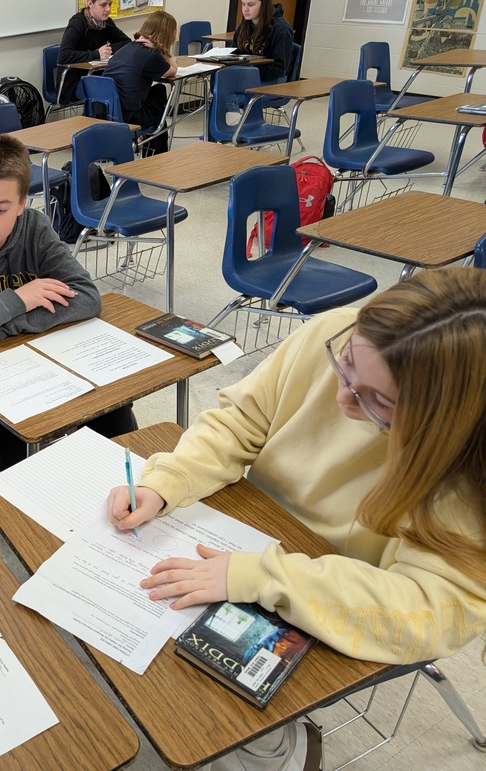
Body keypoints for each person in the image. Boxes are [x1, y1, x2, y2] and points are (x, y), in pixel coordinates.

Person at [107, 269, 486, 768]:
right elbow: (243, 417)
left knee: (205, 716)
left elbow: (431, 609)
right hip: (251, 530)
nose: (343, 396)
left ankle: (286, 749)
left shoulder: (467, 471)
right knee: (140, 662)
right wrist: (167, 480)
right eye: (346, 365)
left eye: (380, 402)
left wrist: (263, 576)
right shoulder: (343, 330)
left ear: (443, 421)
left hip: (336, 594)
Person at [0, 134, 137, 471]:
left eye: (0, 209)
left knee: (113, 413)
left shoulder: (34, 228)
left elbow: (87, 297)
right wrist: (18, 297)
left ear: (21, 204)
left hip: (35, 358)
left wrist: (5, 326)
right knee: (22, 458)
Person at [103, 11, 179, 155]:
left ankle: (153, 148)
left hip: (108, 112)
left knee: (157, 97)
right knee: (160, 97)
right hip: (129, 116)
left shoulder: (126, 48)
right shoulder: (151, 55)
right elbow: (173, 71)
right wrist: (163, 50)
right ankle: (157, 152)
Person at [57, 0, 132, 103]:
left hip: (97, 76)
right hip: (74, 83)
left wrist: (108, 50)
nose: (108, 9)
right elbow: (63, 56)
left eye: (110, 4)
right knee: (113, 89)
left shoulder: (107, 23)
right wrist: (96, 54)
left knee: (126, 84)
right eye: (103, 5)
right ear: (90, 3)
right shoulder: (77, 23)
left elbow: (127, 42)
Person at [232, 0, 293, 86]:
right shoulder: (244, 26)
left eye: (251, 4)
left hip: (273, 79)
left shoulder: (281, 29)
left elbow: (279, 68)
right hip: (249, 74)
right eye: (243, 4)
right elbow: (234, 52)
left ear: (264, 5)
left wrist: (249, 73)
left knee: (235, 92)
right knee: (218, 80)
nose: (245, 9)